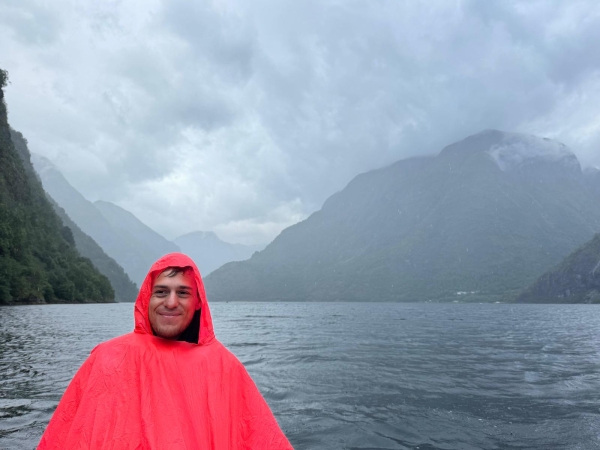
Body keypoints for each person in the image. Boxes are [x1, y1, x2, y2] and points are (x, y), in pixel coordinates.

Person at [38, 253, 293, 449]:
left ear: (197, 303)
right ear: (147, 298)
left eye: (182, 293)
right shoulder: (106, 359)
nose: (171, 302)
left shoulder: (225, 368)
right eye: (161, 292)